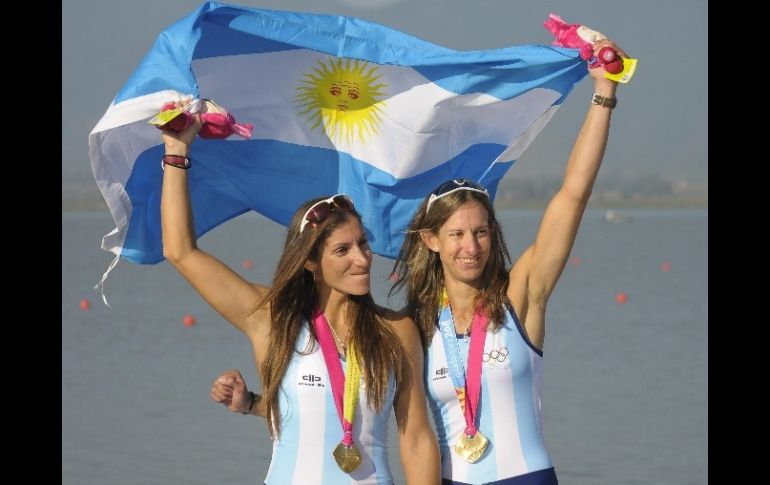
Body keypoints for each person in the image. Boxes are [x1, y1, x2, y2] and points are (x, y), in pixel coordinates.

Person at [211, 38, 627, 485]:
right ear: (431, 240)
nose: (471, 247)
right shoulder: (417, 324)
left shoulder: (521, 297)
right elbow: (344, 406)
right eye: (457, 234)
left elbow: (572, 195)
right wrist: (252, 403)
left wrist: (604, 93)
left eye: (481, 232)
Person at [159, 115, 440, 484]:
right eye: (342, 250)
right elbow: (180, 251)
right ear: (310, 262)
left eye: (363, 243)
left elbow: (416, 439)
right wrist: (176, 151)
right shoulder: (273, 319)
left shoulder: (397, 330)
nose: (362, 259)